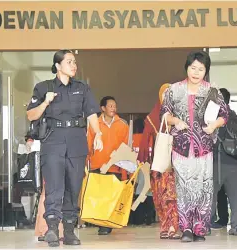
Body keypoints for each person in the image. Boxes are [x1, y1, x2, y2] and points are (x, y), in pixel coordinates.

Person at [27, 50, 103, 247]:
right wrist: (46, 101)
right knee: (53, 187)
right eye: (69, 62)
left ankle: (69, 231)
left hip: (77, 141)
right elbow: (31, 116)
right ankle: (52, 229)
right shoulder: (43, 87)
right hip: (53, 142)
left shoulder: (82, 88)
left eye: (75, 62)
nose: (74, 65)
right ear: (58, 66)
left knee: (73, 187)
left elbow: (91, 114)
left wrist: (98, 134)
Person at [161, 51, 229, 242]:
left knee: (203, 186)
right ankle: (186, 229)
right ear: (187, 68)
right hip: (181, 147)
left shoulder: (212, 91)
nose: (196, 72)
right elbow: (164, 115)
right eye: (193, 68)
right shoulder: (174, 90)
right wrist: (175, 121)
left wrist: (214, 125)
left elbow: (225, 115)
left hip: (204, 147)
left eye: (201, 69)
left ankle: (199, 228)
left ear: (206, 71)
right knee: (183, 187)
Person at [137, 83, 180, 240]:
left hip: (176, 165)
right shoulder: (153, 117)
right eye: (165, 95)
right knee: (159, 197)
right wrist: (143, 158)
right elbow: (144, 142)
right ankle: (165, 226)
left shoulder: (179, 116)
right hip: (159, 164)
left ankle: (173, 227)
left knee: (172, 197)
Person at [86, 96, 129, 235]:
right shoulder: (94, 124)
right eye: (110, 106)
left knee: (111, 196)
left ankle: (106, 224)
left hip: (115, 166)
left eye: (114, 106)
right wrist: (87, 161)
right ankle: (101, 222)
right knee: (99, 196)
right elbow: (88, 143)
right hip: (97, 165)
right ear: (102, 108)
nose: (113, 108)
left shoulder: (122, 125)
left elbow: (126, 147)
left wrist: (124, 168)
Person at [211, 88, 237, 236]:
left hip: (218, 161)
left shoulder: (217, 115)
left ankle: (207, 223)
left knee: (211, 193)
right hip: (234, 162)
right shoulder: (235, 116)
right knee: (235, 195)